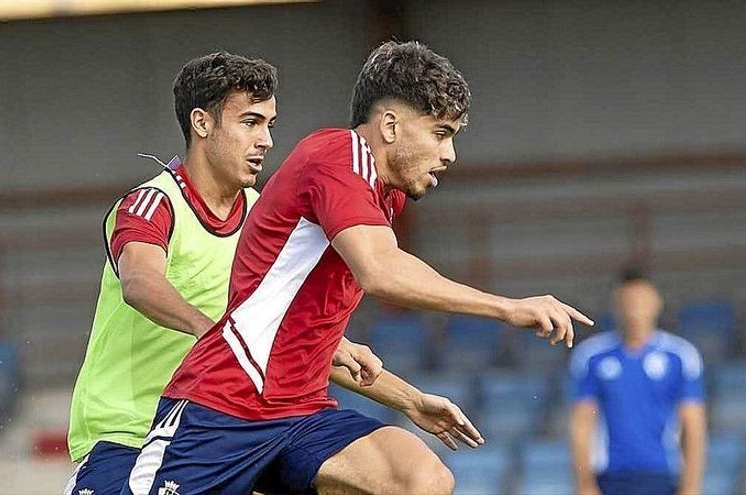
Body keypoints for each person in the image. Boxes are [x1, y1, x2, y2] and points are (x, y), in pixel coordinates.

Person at [123, 41, 593, 495]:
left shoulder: (380, 192)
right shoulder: (335, 157)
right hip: (221, 409)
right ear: (389, 125)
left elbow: (308, 340)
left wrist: (411, 401)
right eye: (440, 133)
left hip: (302, 416)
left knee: (422, 479)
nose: (449, 154)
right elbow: (381, 272)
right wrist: (507, 308)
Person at [65, 51, 480, 495]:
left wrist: (409, 399)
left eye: (270, 125)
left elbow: (276, 347)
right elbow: (141, 284)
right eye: (250, 122)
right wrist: (226, 337)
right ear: (202, 124)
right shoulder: (154, 202)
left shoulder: (266, 218)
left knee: (410, 478)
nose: (265, 140)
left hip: (242, 425)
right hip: (128, 434)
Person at [569, 269, 707, 495]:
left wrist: (691, 486)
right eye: (627, 302)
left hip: (662, 474)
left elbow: (694, 426)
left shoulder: (680, 356)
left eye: (641, 301)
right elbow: (581, 424)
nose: (634, 309)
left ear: (656, 303)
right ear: (616, 305)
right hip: (609, 475)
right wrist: (584, 484)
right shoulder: (592, 356)